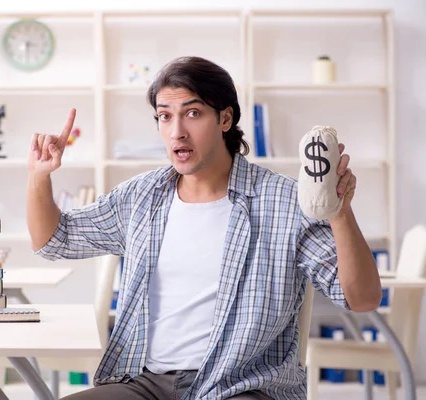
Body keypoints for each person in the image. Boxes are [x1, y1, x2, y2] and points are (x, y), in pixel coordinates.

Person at [26, 56, 382, 400]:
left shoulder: (285, 201)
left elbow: (362, 298)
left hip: (241, 386)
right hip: (145, 384)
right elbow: (53, 240)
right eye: (165, 117)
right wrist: (39, 177)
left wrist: (339, 211)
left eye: (192, 113)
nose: (177, 132)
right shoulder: (141, 197)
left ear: (224, 119)